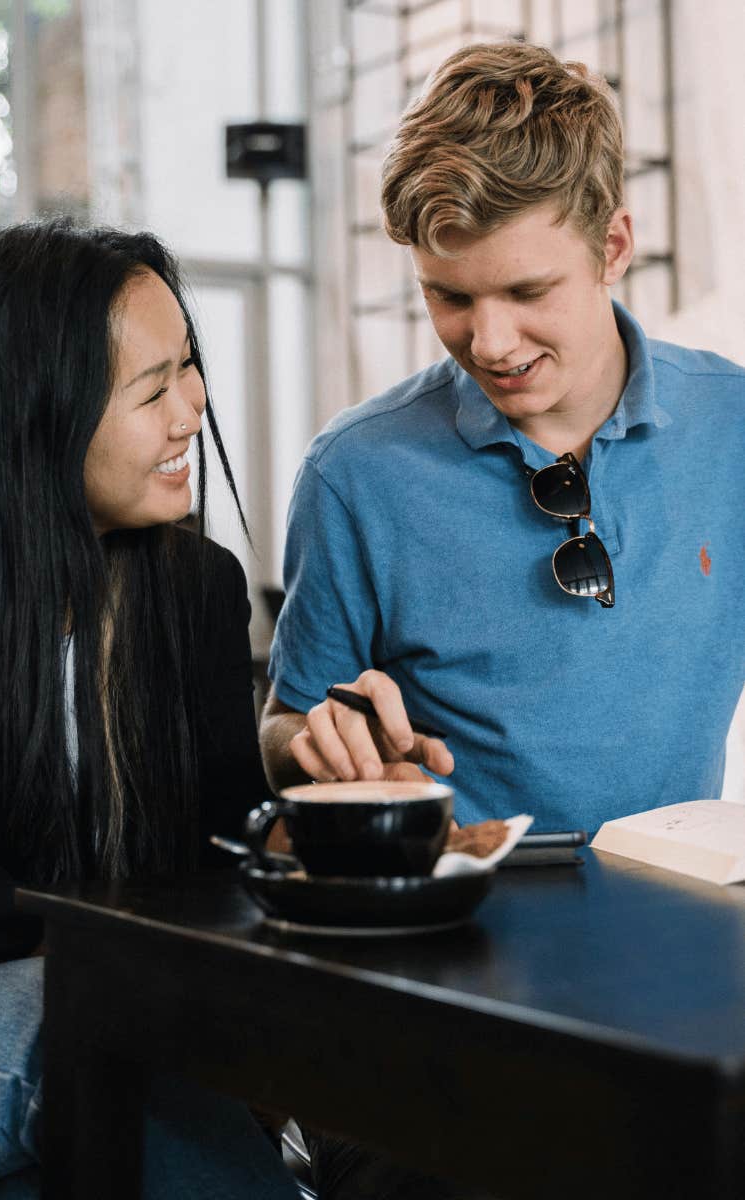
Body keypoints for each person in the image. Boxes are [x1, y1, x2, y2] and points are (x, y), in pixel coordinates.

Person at [259, 39, 745, 1199]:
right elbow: (283, 728)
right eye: (448, 296)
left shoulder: (734, 429)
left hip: (681, 972)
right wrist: (315, 749)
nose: (488, 342)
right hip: (437, 995)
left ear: (613, 245)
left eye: (527, 292)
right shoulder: (354, 474)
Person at [0, 219, 301, 1200]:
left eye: (190, 368)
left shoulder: (195, 589)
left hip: (91, 1016)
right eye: (153, 387)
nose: (194, 409)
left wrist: (316, 822)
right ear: (37, 412)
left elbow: (218, 868)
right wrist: (146, 953)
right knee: (104, 1020)